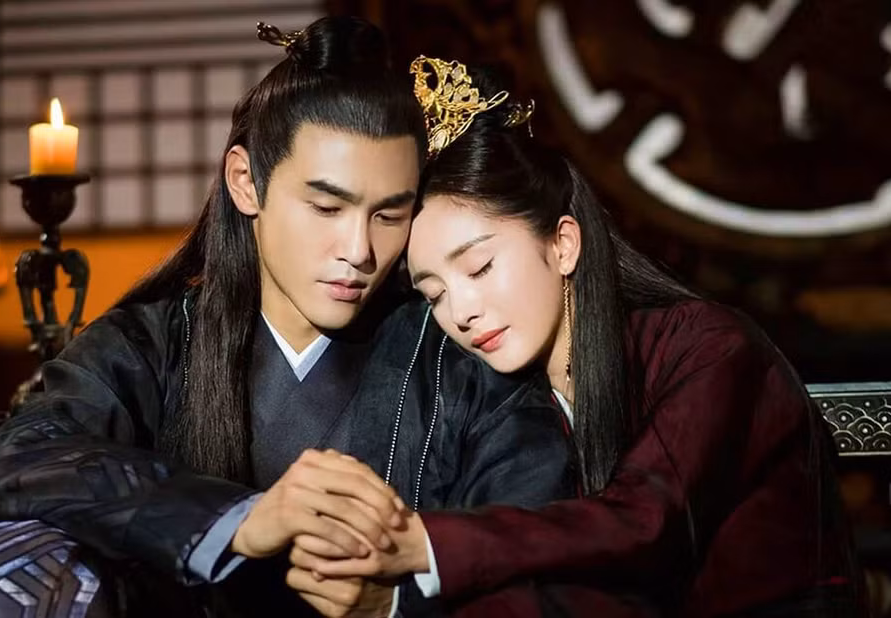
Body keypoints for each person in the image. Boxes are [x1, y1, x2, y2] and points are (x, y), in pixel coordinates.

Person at [0, 24, 573, 618]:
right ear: (246, 182)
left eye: (389, 215)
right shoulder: (151, 346)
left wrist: (395, 604)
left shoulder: (461, 364)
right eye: (326, 207)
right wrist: (242, 519)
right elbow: (30, 453)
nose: (359, 251)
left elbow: (530, 551)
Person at [287, 57, 860, 617]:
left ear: (563, 244)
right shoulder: (505, 395)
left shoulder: (711, 347)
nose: (461, 312)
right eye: (434, 294)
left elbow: (646, 520)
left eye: (480, 268)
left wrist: (428, 546)